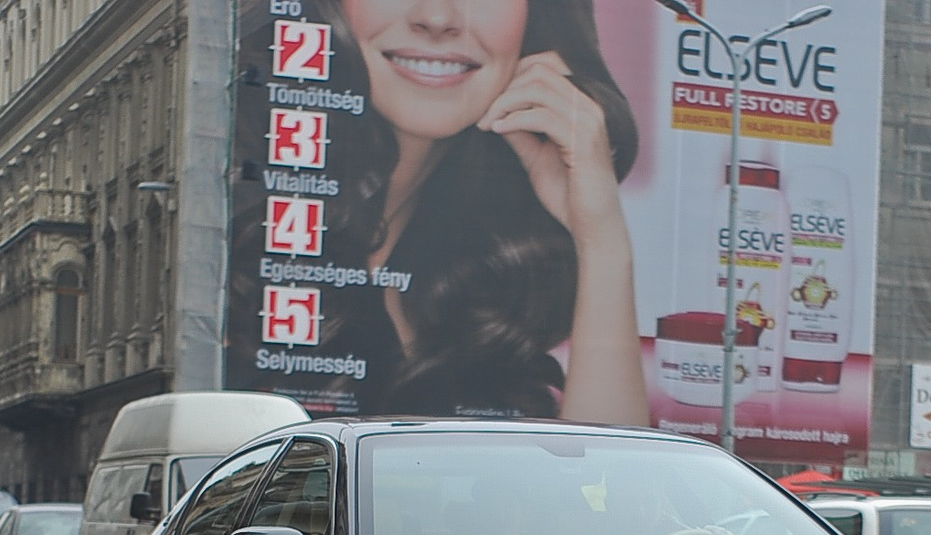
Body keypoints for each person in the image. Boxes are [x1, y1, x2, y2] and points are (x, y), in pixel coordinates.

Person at [232, 0, 647, 425]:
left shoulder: (476, 280)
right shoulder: (234, 221)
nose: (437, 18)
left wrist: (602, 244)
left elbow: (609, 482)